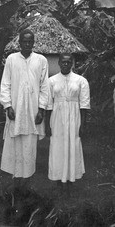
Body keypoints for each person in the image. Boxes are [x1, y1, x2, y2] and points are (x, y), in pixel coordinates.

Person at [0, 29, 49, 189]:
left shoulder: (41, 60)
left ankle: (27, 177)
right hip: (15, 109)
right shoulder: (11, 59)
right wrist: (8, 106)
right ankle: (14, 176)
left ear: (33, 43)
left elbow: (44, 86)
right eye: (24, 41)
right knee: (14, 141)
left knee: (29, 142)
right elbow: (5, 84)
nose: (27, 44)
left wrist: (41, 109)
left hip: (33, 111)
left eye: (30, 42)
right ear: (19, 42)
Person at [45, 53, 90, 196]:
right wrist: (47, 125)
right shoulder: (51, 81)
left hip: (74, 116)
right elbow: (48, 104)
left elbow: (84, 104)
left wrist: (83, 125)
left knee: (72, 145)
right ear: (59, 63)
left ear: (72, 63)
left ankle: (70, 180)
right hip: (57, 117)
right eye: (63, 62)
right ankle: (59, 180)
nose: (65, 64)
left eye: (68, 62)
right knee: (58, 146)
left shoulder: (81, 80)